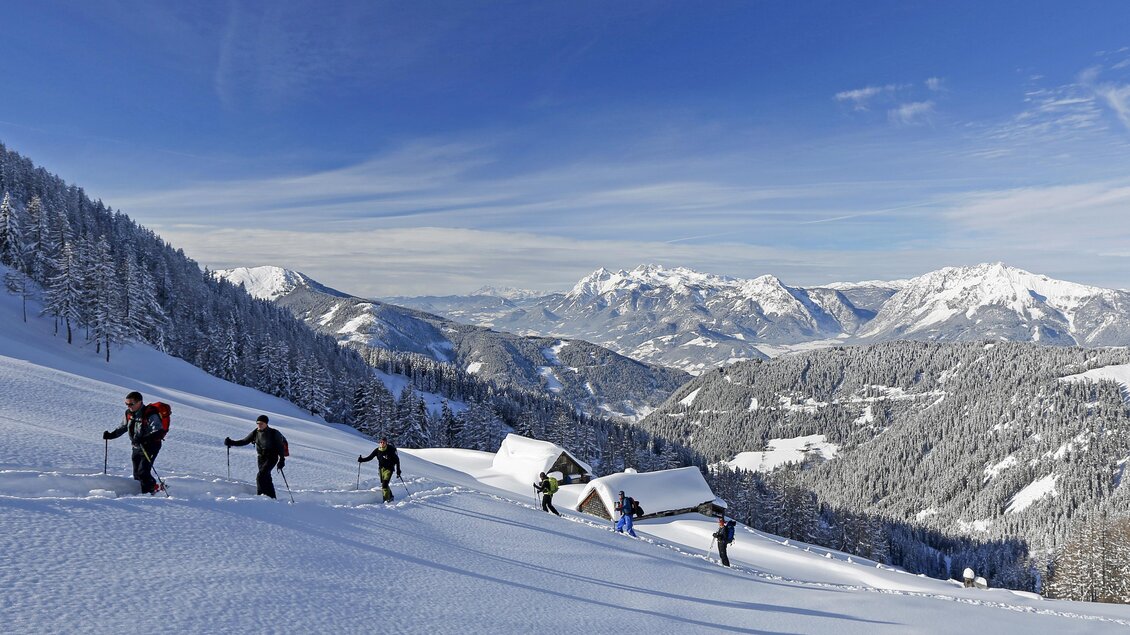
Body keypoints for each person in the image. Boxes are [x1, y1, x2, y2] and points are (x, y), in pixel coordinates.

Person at [103, 391, 165, 494]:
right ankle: (150, 489)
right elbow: (123, 427)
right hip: (136, 446)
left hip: (150, 446)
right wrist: (111, 435)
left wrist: (144, 439)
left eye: (131, 404)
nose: (128, 406)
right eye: (126, 404)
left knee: (143, 472)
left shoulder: (150, 414)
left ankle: (150, 493)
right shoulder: (128, 414)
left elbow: (158, 431)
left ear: (139, 402)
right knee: (137, 474)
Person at [225, 415, 287, 499]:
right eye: (258, 423)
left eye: (261, 423)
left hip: (272, 457)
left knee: (260, 476)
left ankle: (260, 497)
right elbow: (244, 441)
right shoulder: (255, 432)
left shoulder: (274, 433)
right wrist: (231, 442)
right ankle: (272, 497)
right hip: (261, 457)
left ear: (266, 423)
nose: (259, 425)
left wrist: (282, 460)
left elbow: (280, 447)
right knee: (266, 477)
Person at [358, 437, 401, 503]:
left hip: (389, 469)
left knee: (385, 484)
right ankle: (391, 496)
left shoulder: (390, 450)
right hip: (381, 469)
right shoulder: (377, 450)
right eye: (381, 442)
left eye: (384, 442)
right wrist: (362, 460)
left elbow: (397, 460)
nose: (382, 443)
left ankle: (386, 500)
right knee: (384, 484)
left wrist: (398, 471)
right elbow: (370, 457)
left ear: (386, 443)